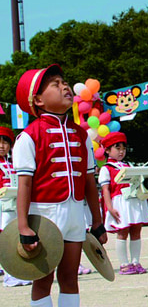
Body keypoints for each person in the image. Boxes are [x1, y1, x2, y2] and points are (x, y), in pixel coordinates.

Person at [13, 64, 108, 307]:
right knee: (42, 279)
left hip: (75, 213)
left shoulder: (81, 134)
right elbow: (24, 184)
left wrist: (97, 221)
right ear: (38, 100)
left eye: (64, 82)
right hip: (43, 216)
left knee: (70, 277)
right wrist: (24, 226)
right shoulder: (28, 136)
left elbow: (89, 181)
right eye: (55, 85)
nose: (64, 86)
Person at [98, 132, 148, 275]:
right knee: (122, 232)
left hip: (134, 201)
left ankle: (136, 261)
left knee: (136, 230)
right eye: (117, 148)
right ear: (108, 150)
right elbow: (106, 190)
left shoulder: (129, 165)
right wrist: (109, 207)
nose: (121, 151)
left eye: (123, 148)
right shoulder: (106, 168)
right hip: (120, 202)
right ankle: (124, 264)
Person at [0, 125, 33, 287]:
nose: (1, 146)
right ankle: (8, 274)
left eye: (5, 142)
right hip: (2, 206)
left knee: (14, 237)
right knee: (5, 238)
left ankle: (16, 271)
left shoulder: (13, 163)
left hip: (14, 205)